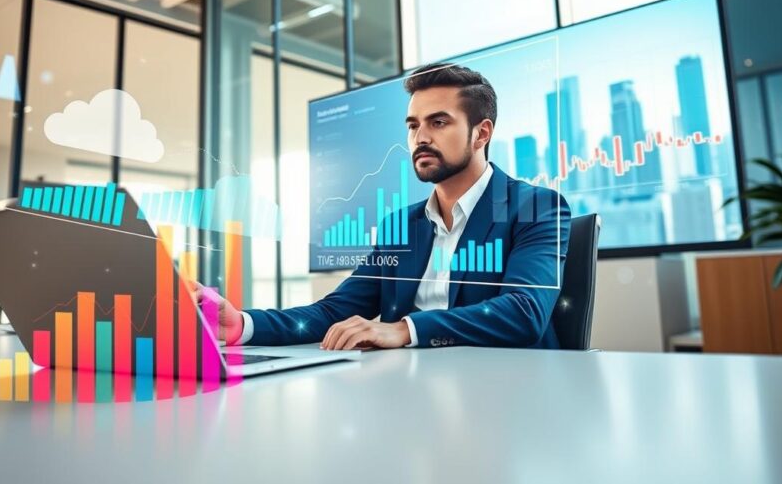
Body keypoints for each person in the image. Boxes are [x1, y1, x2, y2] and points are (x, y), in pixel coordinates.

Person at [198, 63, 570, 350]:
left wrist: (404, 330)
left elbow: (525, 312)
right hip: (406, 389)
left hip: (506, 393)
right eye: (413, 126)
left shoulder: (537, 207)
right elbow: (333, 311)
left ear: (482, 133)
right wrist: (241, 324)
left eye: (439, 122)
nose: (420, 137)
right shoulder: (401, 226)